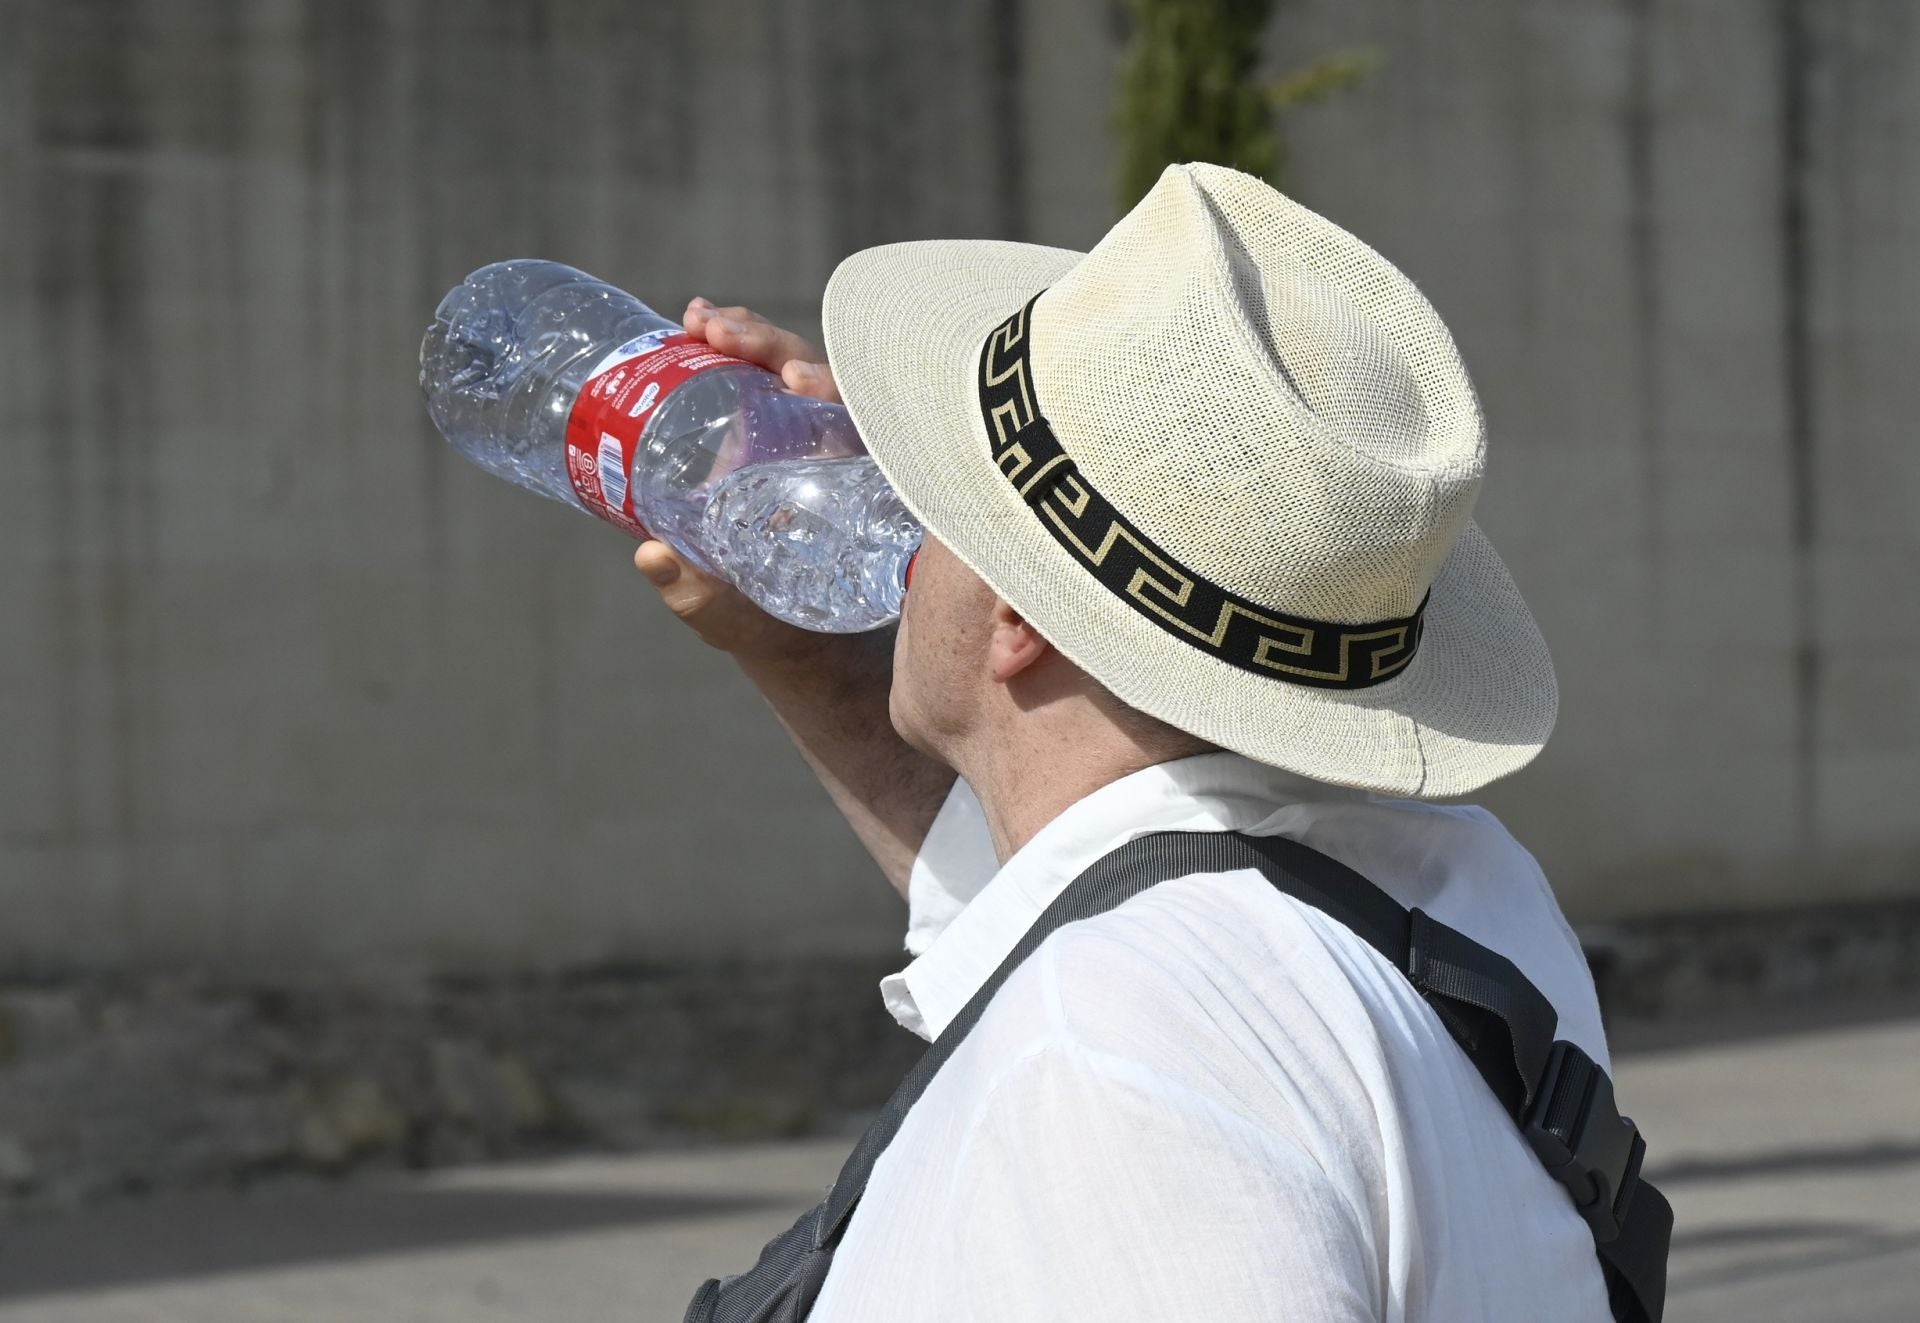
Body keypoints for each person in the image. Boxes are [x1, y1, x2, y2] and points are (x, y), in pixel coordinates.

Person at [638, 163, 1659, 1322]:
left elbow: (1123, 997)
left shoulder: (1110, 1042)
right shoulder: (1461, 895)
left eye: (931, 493)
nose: (897, 516)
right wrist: (797, 649)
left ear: (1017, 616)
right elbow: (1057, 891)